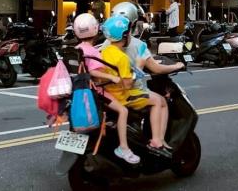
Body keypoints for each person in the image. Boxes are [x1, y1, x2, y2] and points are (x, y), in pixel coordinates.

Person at [72, 13, 139, 165]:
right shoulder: (93, 51)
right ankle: (124, 148)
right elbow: (93, 72)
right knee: (123, 111)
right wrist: (112, 78)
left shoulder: (76, 49)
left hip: (79, 89)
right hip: (95, 91)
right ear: (96, 30)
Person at [99, 16, 172, 154]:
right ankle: (157, 141)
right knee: (160, 101)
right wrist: (138, 68)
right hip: (123, 95)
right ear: (125, 35)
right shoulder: (122, 58)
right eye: (129, 32)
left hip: (108, 93)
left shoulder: (104, 51)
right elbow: (127, 85)